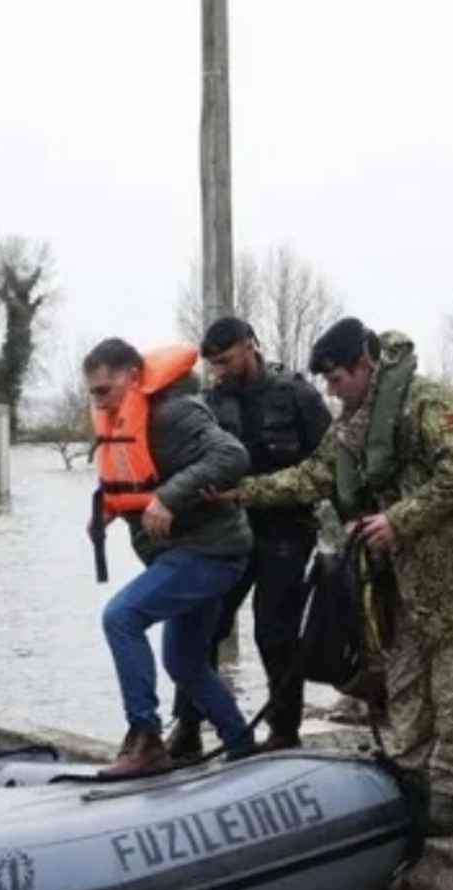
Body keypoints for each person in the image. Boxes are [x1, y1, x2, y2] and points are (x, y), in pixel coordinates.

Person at [233, 319, 453, 835]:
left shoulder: (430, 403)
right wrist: (242, 492)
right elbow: (312, 477)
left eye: (337, 379)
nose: (330, 391)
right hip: (409, 585)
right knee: (407, 688)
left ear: (364, 364)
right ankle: (408, 775)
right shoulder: (353, 426)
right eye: (326, 382)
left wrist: (398, 520)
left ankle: (452, 794)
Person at [164, 316, 332, 760]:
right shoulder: (209, 405)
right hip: (227, 533)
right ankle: (189, 725)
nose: (219, 370)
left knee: (274, 630)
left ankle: (283, 728)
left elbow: (330, 465)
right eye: (213, 364)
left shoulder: (298, 395)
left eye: (226, 360)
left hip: (286, 531)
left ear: (250, 346)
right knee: (204, 627)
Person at [85, 338, 255, 774]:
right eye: (92, 392)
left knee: (121, 617)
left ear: (133, 377)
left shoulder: (174, 413)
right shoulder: (119, 418)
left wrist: (169, 498)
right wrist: (107, 509)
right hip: (179, 555)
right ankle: (242, 746)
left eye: (105, 390)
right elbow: (133, 475)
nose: (98, 401)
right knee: (183, 661)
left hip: (212, 553)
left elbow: (232, 455)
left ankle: (146, 739)